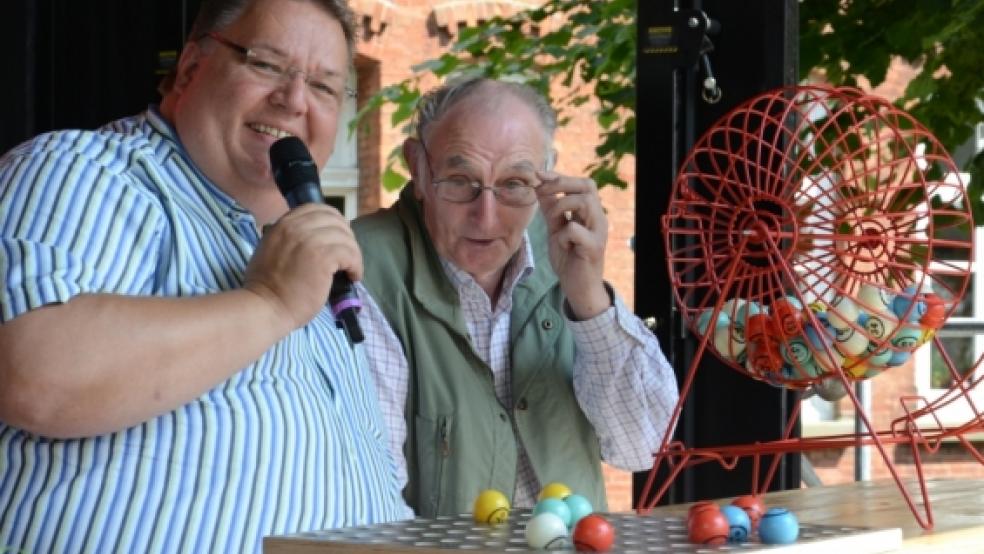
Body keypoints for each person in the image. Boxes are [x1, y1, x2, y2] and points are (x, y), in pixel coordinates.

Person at [0, 0, 410, 551]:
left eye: (325, 87)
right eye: (266, 64)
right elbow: (33, 372)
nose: (293, 100)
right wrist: (268, 303)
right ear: (191, 68)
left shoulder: (307, 262)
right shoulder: (85, 168)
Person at [352, 77, 680, 517]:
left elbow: (642, 448)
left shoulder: (564, 250)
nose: (486, 216)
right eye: (460, 180)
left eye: (514, 184)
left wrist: (588, 297)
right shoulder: (364, 271)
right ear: (419, 169)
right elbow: (372, 498)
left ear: (547, 175)